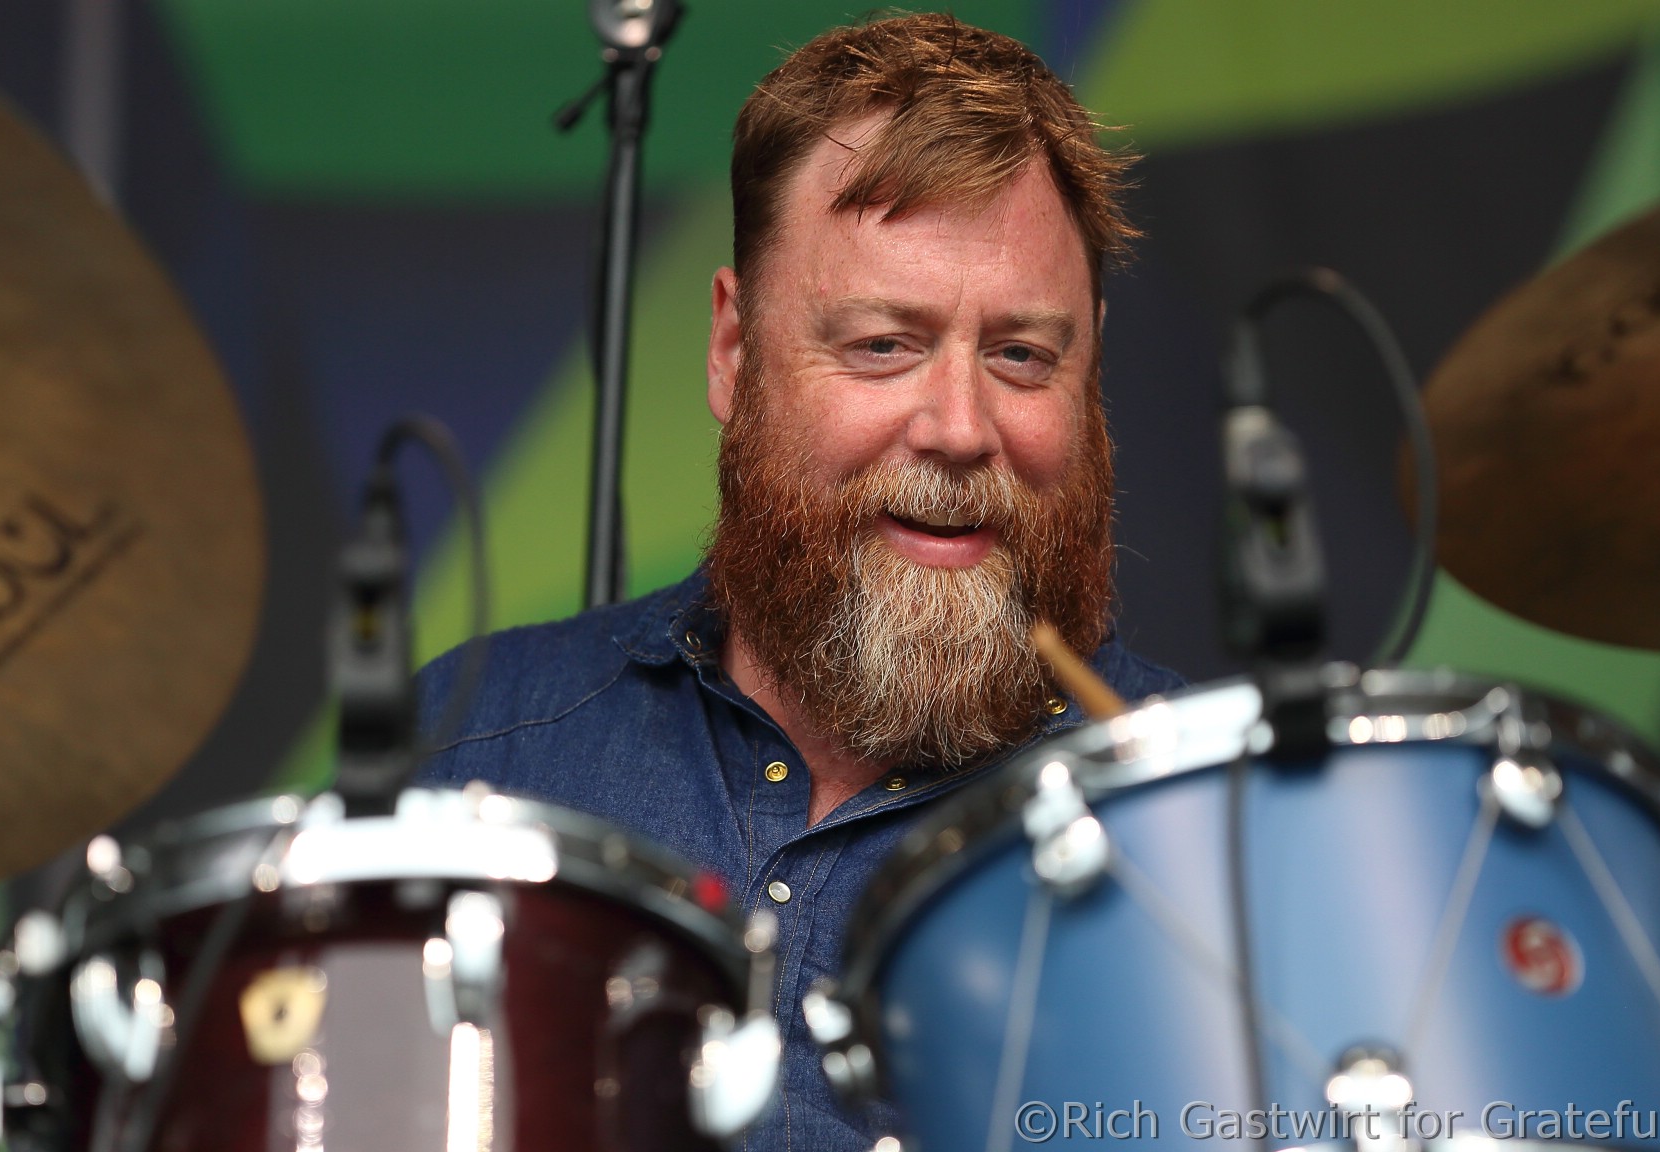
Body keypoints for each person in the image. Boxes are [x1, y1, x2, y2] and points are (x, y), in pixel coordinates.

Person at [414, 13, 1182, 1148]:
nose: (961, 428)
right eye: (883, 343)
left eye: (1022, 355)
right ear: (734, 353)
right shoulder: (482, 743)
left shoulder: (1200, 834)